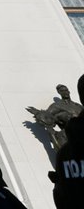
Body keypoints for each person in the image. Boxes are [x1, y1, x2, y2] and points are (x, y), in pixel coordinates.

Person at [53, 74, 84, 208]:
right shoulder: (57, 106)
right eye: (62, 90)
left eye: (66, 89)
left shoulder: (77, 106)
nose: (65, 92)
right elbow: (48, 116)